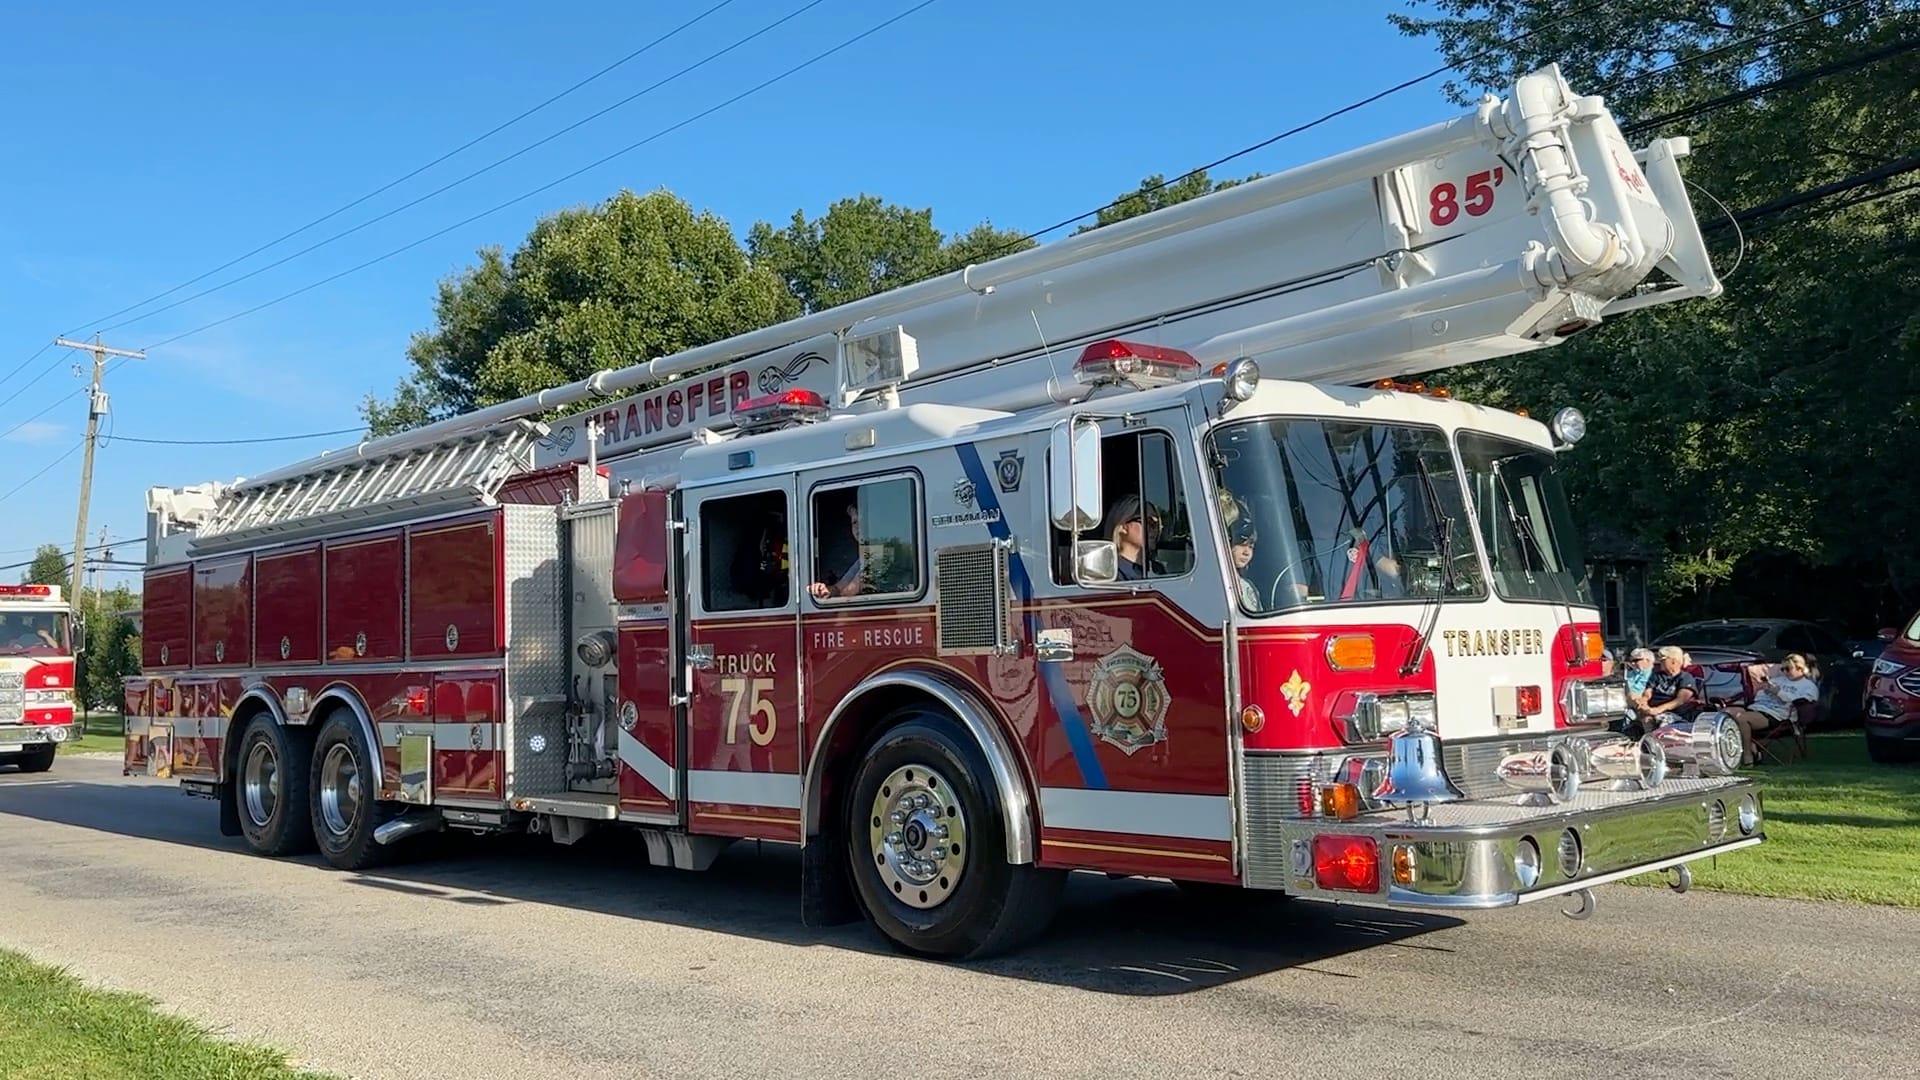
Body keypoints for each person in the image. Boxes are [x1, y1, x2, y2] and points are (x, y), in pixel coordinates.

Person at [1721, 653, 1819, 766]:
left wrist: (1778, 693)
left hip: (1779, 715)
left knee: (1742, 719)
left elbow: (1802, 703)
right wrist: (1765, 691)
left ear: (1800, 668)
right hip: (1758, 707)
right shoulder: (1778, 680)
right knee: (1725, 714)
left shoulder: (1808, 686)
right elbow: (1759, 696)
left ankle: (1747, 755)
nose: (1785, 672)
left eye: (1788, 669)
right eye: (1782, 669)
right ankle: (1746, 748)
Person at [1632, 645, 1700, 734]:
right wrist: (1643, 702)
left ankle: (1653, 740)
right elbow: (1648, 693)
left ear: (1673, 661)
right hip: (1652, 711)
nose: (1660, 661)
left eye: (1663, 659)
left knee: (1660, 721)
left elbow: (1680, 700)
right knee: (1641, 719)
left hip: (1675, 713)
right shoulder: (1656, 676)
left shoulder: (1685, 678)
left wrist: (1658, 709)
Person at [1099, 494, 1164, 581]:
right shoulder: (1109, 573)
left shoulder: (1158, 569)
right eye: (1147, 521)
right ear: (1123, 526)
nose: (1154, 528)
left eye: (1156, 523)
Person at [1228, 517, 1260, 609]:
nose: (1246, 552)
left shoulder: (1249, 586)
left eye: (1251, 547)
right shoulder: (1218, 584)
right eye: (1242, 545)